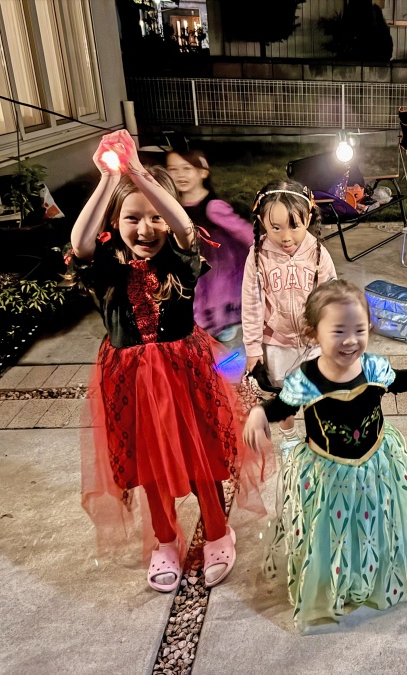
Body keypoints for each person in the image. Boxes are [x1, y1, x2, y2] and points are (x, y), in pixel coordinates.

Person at [70, 131, 272, 593]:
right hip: (129, 380)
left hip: (186, 372)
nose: (145, 229)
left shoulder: (179, 261)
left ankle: (218, 531)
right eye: (132, 218)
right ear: (115, 221)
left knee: (201, 457)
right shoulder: (107, 267)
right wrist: (109, 178)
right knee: (149, 464)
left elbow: (183, 228)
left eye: (155, 216)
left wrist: (140, 173)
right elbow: (79, 243)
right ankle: (165, 539)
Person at [243, 279, 407, 626]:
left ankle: (372, 570)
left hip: (376, 465)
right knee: (333, 529)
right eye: (338, 331)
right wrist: (261, 412)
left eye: (359, 330)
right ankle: (336, 579)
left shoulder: (374, 368)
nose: (351, 340)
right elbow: (283, 406)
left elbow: (397, 380)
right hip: (328, 472)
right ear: (313, 334)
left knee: (374, 520)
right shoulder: (306, 380)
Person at [241, 180, 337, 446]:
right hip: (277, 343)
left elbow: (331, 299)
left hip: (313, 343)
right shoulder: (258, 256)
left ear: (308, 218)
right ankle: (289, 438)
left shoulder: (319, 254)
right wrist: (253, 348)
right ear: (261, 221)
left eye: (294, 226)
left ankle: (317, 437)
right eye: (275, 227)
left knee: (315, 392)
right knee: (284, 396)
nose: (285, 237)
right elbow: (251, 304)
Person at [166, 149, 254, 342]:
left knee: (217, 321)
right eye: (173, 169)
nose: (179, 175)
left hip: (218, 273)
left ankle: (221, 338)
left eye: (186, 168)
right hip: (194, 273)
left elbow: (244, 232)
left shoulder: (212, 207)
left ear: (203, 172)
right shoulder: (173, 205)